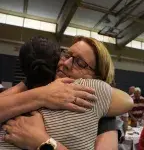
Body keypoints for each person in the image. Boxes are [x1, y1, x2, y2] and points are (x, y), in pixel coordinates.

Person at [0, 36, 133, 150]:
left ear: (97, 77)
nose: (66, 63)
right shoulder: (43, 82)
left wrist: (43, 142)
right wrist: (42, 95)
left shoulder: (97, 104)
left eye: (80, 63)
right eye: (67, 55)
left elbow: (127, 101)